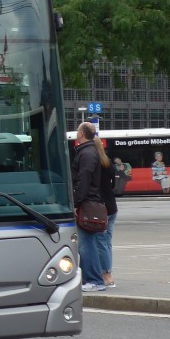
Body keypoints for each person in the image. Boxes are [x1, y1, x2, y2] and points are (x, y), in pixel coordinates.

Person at [71, 121, 106, 291]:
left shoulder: (86, 154)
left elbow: (83, 180)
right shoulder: (90, 152)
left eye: (78, 131)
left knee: (86, 245)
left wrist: (76, 202)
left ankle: (94, 280)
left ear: (81, 134)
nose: (76, 133)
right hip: (89, 201)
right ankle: (90, 279)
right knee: (87, 243)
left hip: (86, 203)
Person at [97, 141, 119, 289]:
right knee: (107, 242)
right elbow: (112, 184)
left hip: (101, 207)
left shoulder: (94, 164)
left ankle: (106, 275)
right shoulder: (108, 162)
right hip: (112, 206)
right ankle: (107, 272)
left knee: (101, 242)